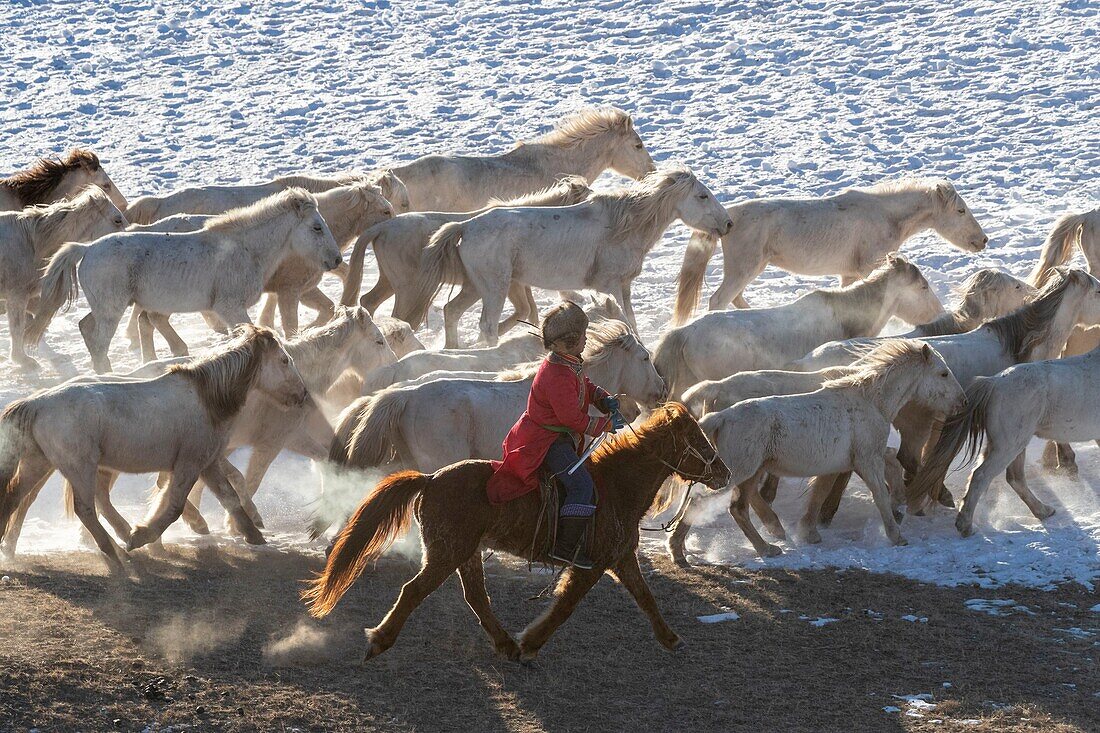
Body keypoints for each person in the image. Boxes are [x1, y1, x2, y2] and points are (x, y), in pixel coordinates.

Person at [486, 301, 625, 568]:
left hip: (557, 436)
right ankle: (564, 548)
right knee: (582, 486)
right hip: (545, 442)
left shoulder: (567, 363)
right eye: (583, 335)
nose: (587, 338)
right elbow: (570, 417)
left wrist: (602, 399)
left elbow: (584, 384)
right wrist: (603, 426)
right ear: (572, 341)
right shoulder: (557, 374)